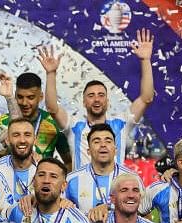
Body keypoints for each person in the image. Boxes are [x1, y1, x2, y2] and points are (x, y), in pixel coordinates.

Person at [40, 28, 155, 169]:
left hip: (115, 189)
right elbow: (52, 108)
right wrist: (51, 73)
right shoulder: (74, 127)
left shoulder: (121, 124)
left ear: (107, 101)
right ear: (84, 101)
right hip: (82, 190)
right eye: (91, 95)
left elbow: (146, 98)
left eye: (101, 95)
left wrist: (145, 60)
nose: (96, 99)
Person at [65, 123, 143, 220]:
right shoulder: (71, 180)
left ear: (115, 149)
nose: (103, 145)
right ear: (88, 150)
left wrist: (109, 207)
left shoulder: (132, 179)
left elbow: (142, 211)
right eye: (96, 142)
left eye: (108, 141)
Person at [14, 72, 71, 165]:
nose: (24, 103)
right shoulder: (5, 122)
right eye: (20, 97)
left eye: (30, 97)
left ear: (40, 97)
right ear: (15, 95)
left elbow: (68, 161)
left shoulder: (54, 123)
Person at [0, 118, 38, 203]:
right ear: (7, 140)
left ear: (35, 140)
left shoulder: (46, 171)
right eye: (16, 135)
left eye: (27, 135)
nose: (22, 140)